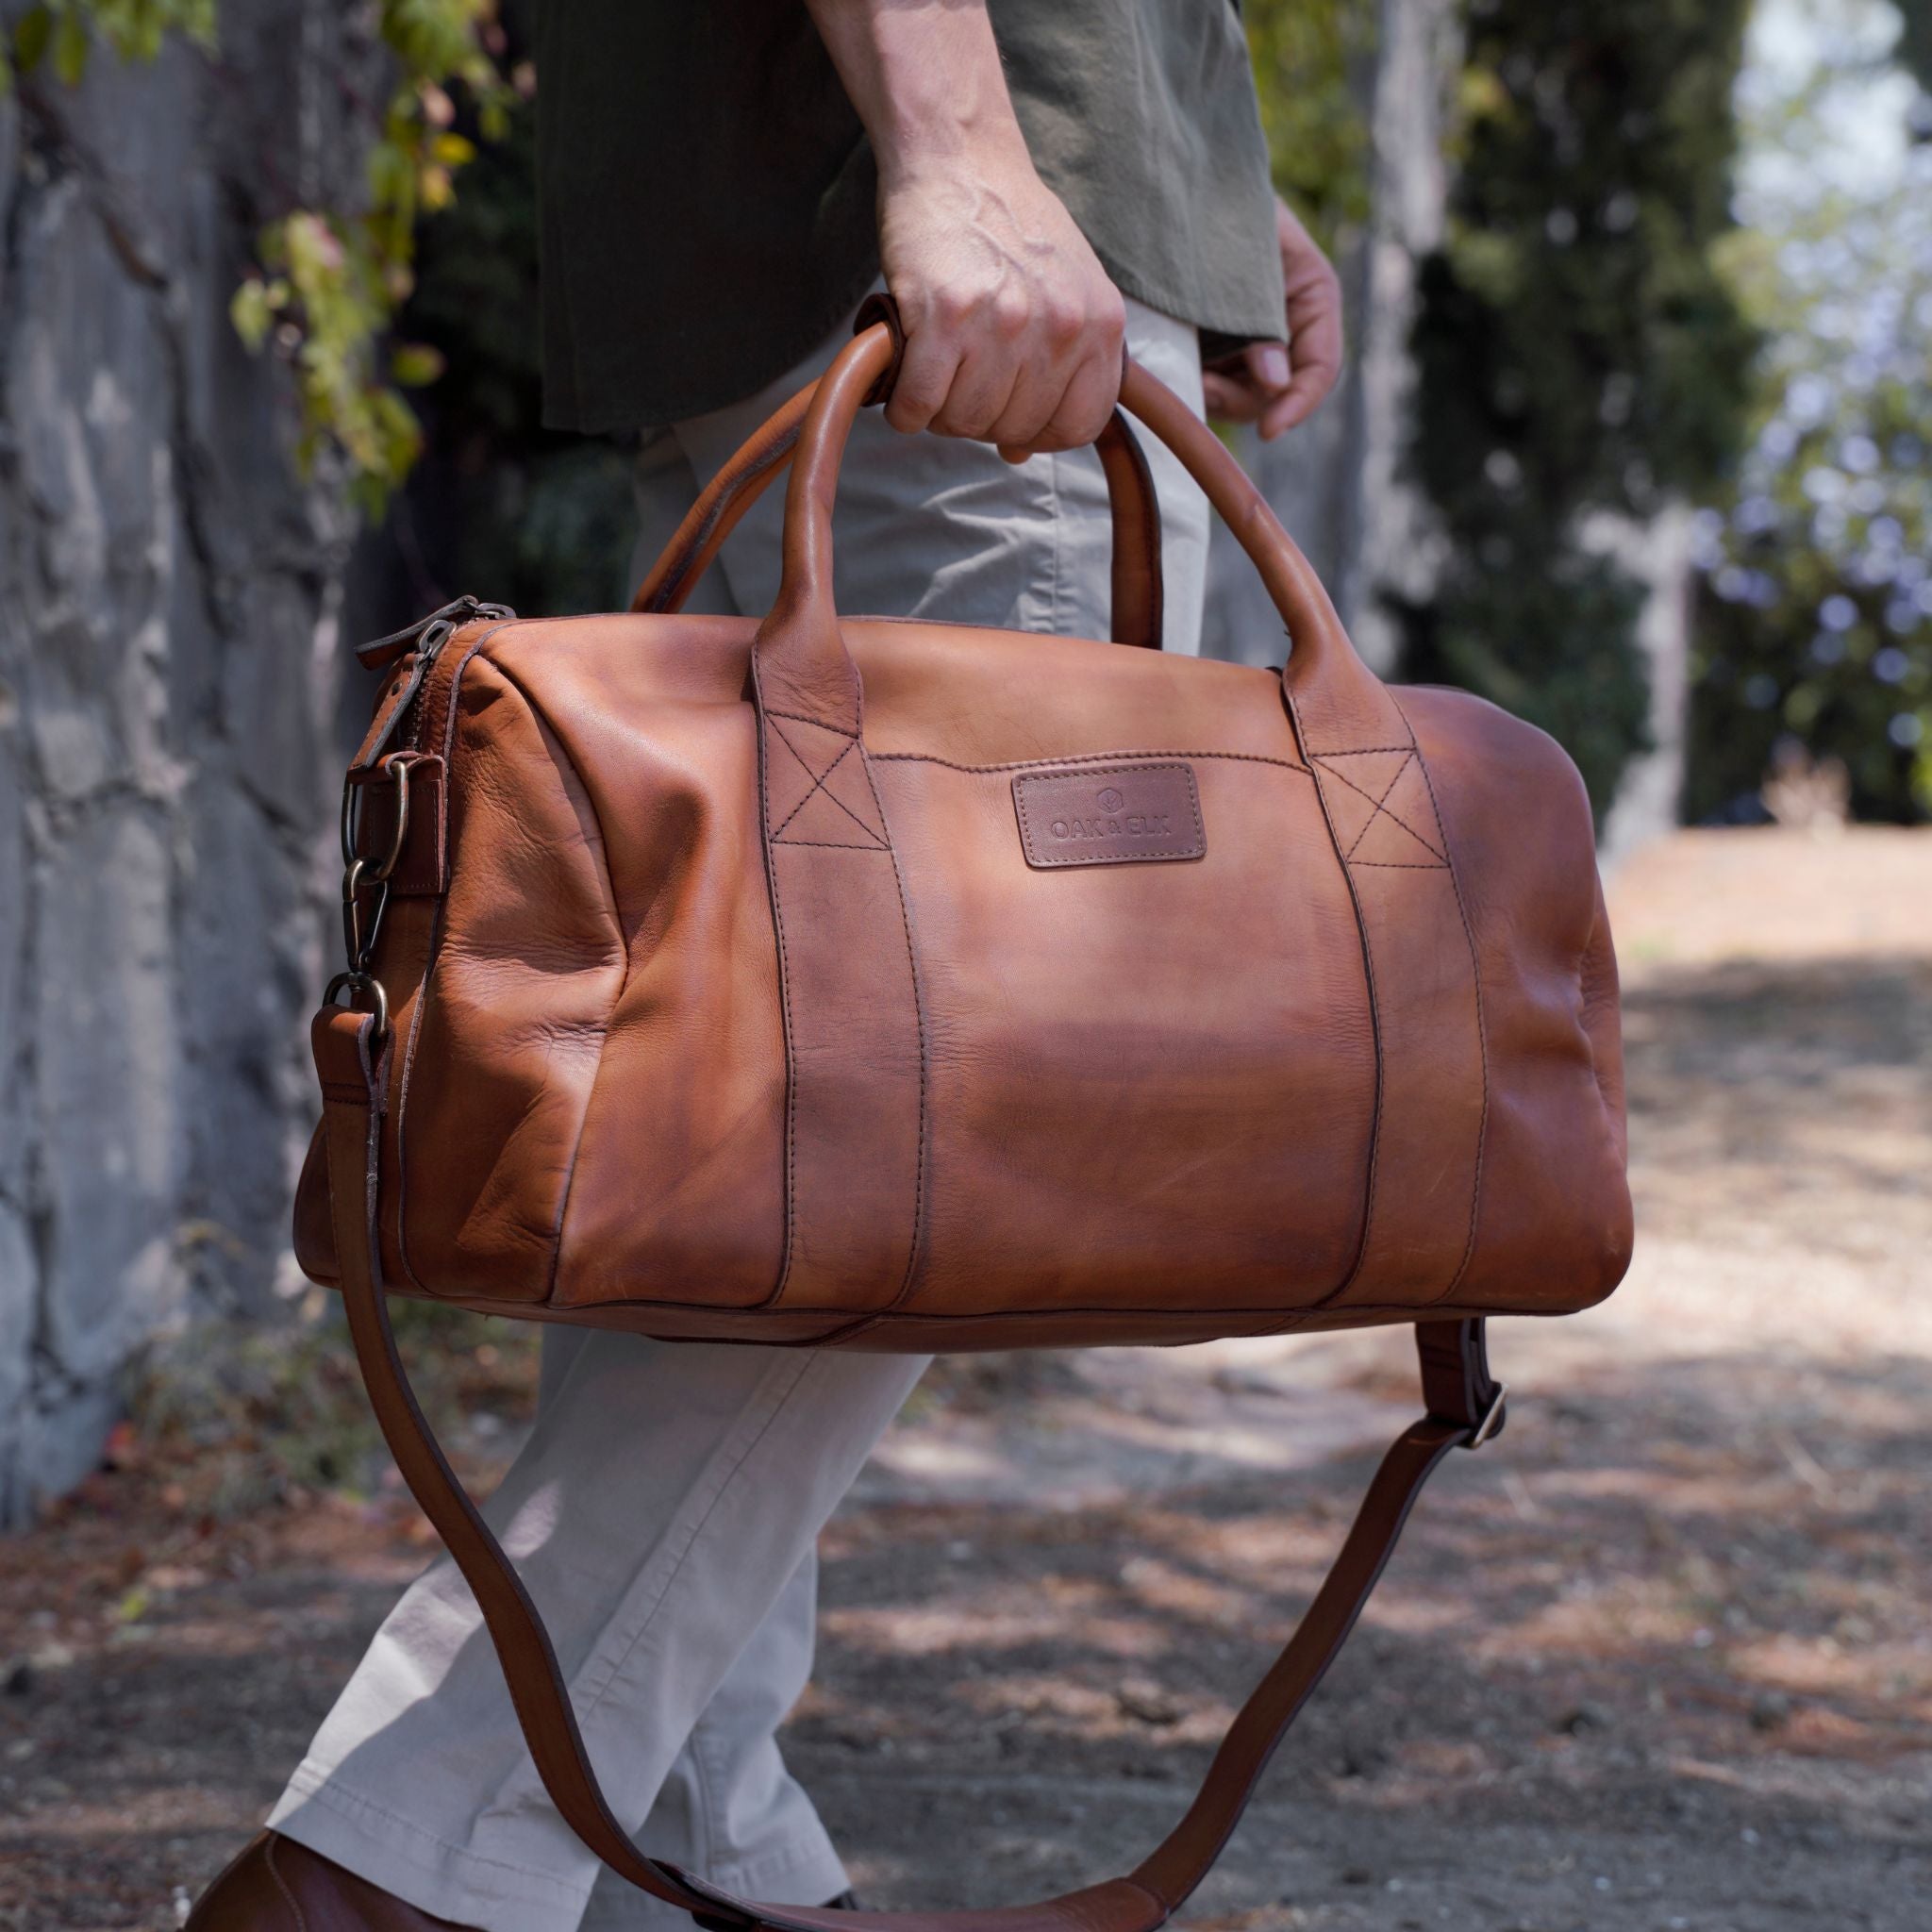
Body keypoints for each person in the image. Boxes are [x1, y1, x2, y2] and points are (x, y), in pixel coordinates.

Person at [188, 4, 1341, 1927]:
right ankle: (391, 1859)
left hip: (789, 229)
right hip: (950, 218)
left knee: (752, 1111)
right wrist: (968, 140)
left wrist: (1204, 169)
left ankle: (685, 1847)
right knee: (946, 1101)